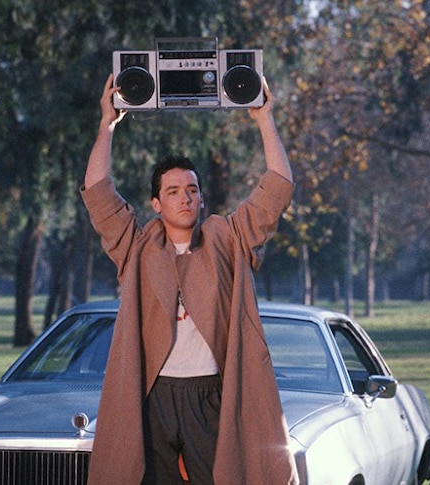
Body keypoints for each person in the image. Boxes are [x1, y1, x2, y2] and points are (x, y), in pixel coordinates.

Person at [81, 73, 299, 485]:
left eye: (193, 189)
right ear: (156, 203)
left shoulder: (227, 238)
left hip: (211, 394)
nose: (186, 197)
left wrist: (264, 119)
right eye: (175, 190)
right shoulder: (138, 247)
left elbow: (277, 189)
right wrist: (106, 126)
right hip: (155, 395)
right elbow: (98, 193)